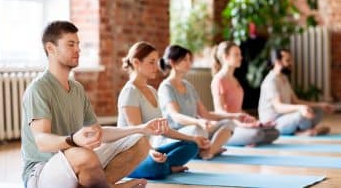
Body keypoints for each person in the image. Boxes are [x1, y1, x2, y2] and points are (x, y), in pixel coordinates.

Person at [21, 21, 167, 188]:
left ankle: (103, 185)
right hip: (42, 172)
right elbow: (42, 141)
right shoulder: (39, 88)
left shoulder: (77, 89)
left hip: (77, 159)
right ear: (50, 49)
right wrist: (73, 139)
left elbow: (98, 133)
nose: (78, 49)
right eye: (70, 44)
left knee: (140, 142)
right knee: (84, 154)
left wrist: (141, 128)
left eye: (78, 44)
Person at [117, 42, 210, 179]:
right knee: (156, 167)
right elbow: (137, 134)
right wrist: (151, 151)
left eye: (156, 62)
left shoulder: (152, 91)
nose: (156, 67)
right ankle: (168, 168)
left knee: (192, 146)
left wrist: (193, 138)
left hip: (148, 151)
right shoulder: (130, 92)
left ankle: (166, 166)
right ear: (136, 62)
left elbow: (164, 129)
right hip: (129, 155)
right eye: (151, 62)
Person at [157, 45, 255, 159]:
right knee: (198, 129)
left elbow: (206, 114)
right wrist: (198, 122)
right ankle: (209, 149)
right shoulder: (166, 87)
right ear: (172, 62)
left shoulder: (189, 86)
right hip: (177, 134)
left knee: (228, 123)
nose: (189, 63)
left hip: (196, 130)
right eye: (185, 60)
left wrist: (234, 116)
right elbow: (176, 116)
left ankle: (208, 151)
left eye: (190, 59)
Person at [211, 41, 279, 146]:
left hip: (239, 124)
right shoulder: (218, 80)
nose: (241, 57)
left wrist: (252, 120)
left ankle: (247, 137)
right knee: (256, 134)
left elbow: (238, 110)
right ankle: (237, 138)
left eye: (240, 54)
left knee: (274, 132)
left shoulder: (235, 79)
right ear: (225, 57)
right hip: (226, 127)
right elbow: (219, 112)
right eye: (237, 54)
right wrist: (241, 123)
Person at [258, 48, 334, 136]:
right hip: (274, 124)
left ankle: (303, 130)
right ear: (277, 62)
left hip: (286, 117)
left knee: (319, 111)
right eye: (288, 60)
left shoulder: (284, 78)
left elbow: (295, 101)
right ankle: (303, 131)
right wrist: (300, 108)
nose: (291, 63)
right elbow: (278, 107)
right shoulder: (270, 81)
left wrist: (320, 105)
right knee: (300, 115)